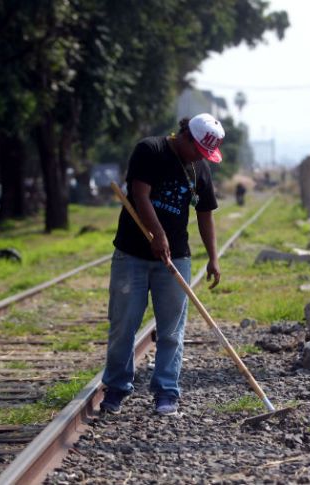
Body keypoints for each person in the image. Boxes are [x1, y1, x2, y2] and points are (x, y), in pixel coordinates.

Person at [100, 113, 223, 416]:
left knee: (171, 331)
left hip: (175, 259)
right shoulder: (150, 150)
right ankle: (116, 388)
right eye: (199, 150)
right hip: (132, 254)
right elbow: (139, 195)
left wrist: (213, 258)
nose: (200, 157)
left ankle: (166, 391)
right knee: (123, 324)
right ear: (186, 137)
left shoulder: (199, 169)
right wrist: (157, 235)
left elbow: (205, 214)